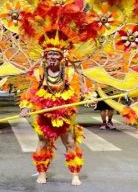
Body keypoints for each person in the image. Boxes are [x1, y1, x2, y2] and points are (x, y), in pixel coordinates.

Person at [19, 49, 84, 186]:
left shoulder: (69, 73)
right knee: (43, 142)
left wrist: (86, 96)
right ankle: (42, 172)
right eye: (50, 55)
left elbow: (77, 91)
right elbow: (31, 91)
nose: (52, 57)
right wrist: (25, 107)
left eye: (56, 54)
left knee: (70, 142)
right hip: (44, 112)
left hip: (64, 112)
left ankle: (75, 174)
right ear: (45, 57)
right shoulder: (39, 73)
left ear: (61, 57)